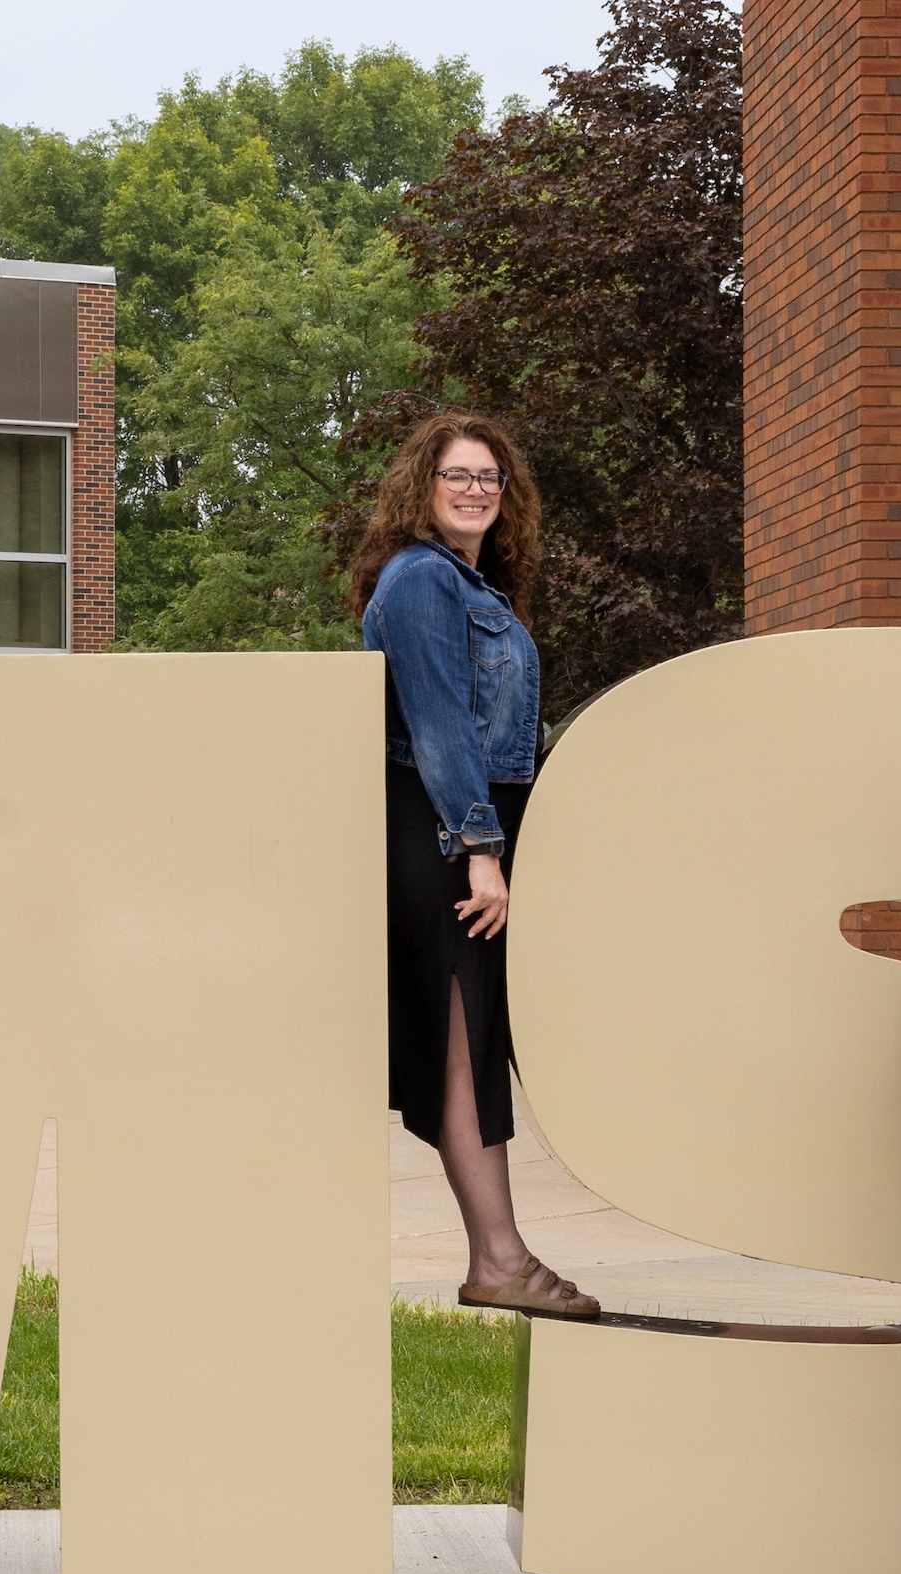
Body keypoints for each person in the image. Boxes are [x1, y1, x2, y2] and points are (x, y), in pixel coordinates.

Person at [355, 413, 597, 1319]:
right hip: (443, 836)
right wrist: (481, 850)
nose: (474, 490)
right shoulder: (419, 580)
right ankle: (497, 1258)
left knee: (473, 1046)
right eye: (456, 475)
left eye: (488, 476)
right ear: (422, 488)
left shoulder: (466, 583)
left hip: (462, 830)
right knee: (460, 1049)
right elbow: (440, 727)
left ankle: (501, 1253)